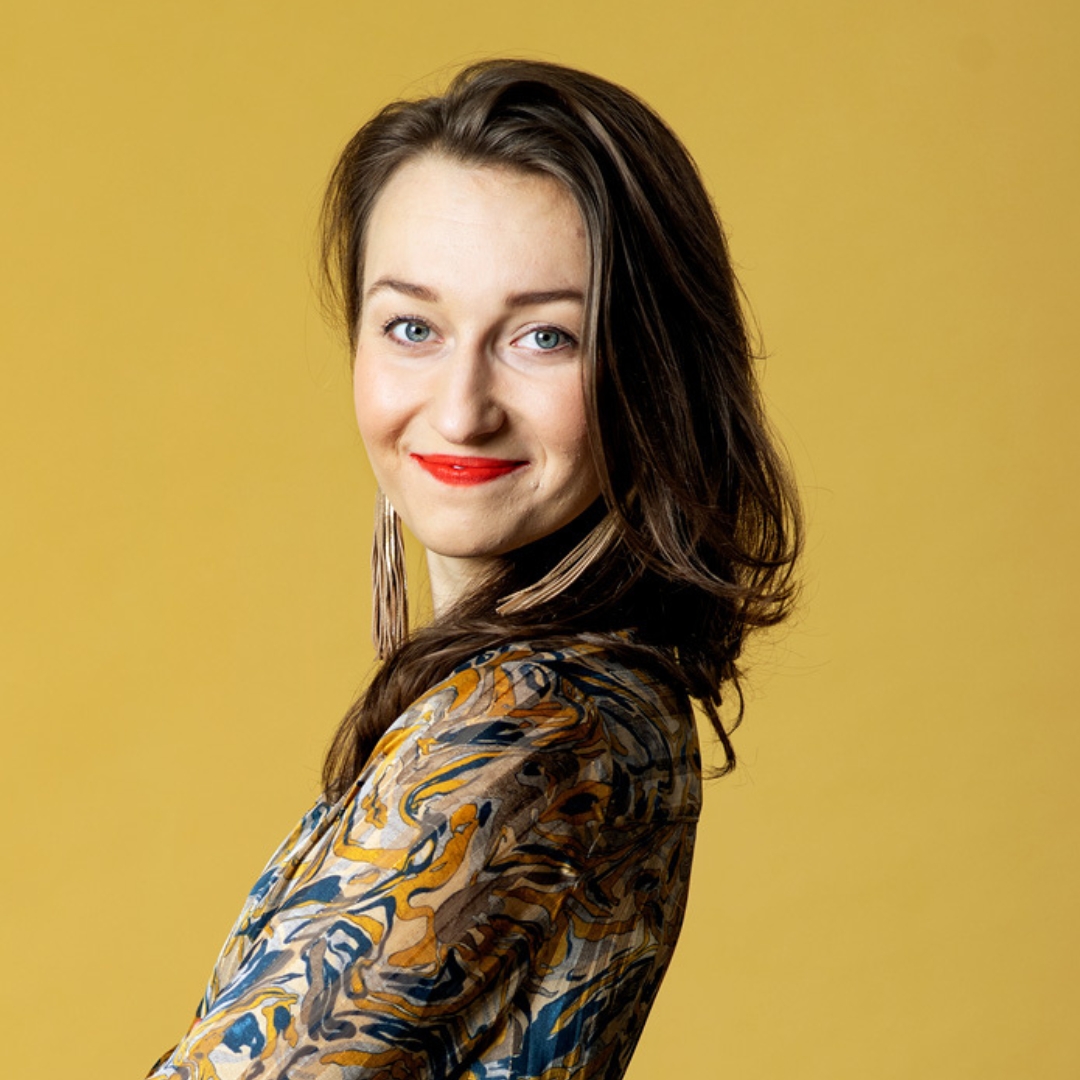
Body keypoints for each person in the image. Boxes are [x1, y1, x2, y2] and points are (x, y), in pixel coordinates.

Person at [147, 58, 800, 1080]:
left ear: (652, 370)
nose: (460, 410)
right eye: (413, 327)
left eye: (544, 337)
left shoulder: (529, 720)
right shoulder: (598, 696)